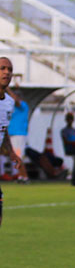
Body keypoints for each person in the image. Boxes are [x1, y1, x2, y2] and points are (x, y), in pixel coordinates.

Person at [0, 57, 23, 227]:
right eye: (2, 68)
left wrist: (12, 152)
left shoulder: (9, 102)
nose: (6, 72)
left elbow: (4, 128)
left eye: (9, 69)